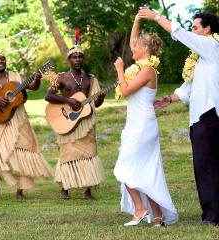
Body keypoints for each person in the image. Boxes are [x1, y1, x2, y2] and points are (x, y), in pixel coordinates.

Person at [138, 9, 219, 225]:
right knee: (205, 165)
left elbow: (180, 32)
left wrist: (156, 17)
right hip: (199, 118)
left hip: (209, 117)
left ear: (207, 30)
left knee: (206, 167)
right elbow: (188, 87)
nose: (192, 31)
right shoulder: (200, 58)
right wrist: (169, 99)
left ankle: (211, 216)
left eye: (195, 28)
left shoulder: (211, 46)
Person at [113, 14, 178, 226]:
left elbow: (125, 90)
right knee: (144, 171)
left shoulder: (147, 70)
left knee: (123, 168)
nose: (132, 49)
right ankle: (157, 217)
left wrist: (120, 71)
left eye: (135, 48)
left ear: (145, 50)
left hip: (142, 125)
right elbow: (133, 39)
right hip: (136, 123)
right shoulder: (141, 67)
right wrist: (137, 19)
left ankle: (140, 210)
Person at [0, 49, 53, 201]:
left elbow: (33, 87)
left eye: (2, 59)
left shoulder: (16, 76)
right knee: (0, 153)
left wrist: (37, 79)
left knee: (21, 153)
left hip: (19, 118)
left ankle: (20, 191)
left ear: (6, 61)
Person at [45, 42, 106, 200]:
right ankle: (65, 188)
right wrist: (68, 101)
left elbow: (95, 105)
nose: (77, 59)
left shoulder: (91, 79)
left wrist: (101, 98)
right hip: (68, 122)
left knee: (89, 154)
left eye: (80, 57)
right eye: (74, 57)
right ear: (69, 60)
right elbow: (49, 96)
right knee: (67, 154)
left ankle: (88, 190)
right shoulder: (61, 77)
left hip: (86, 122)